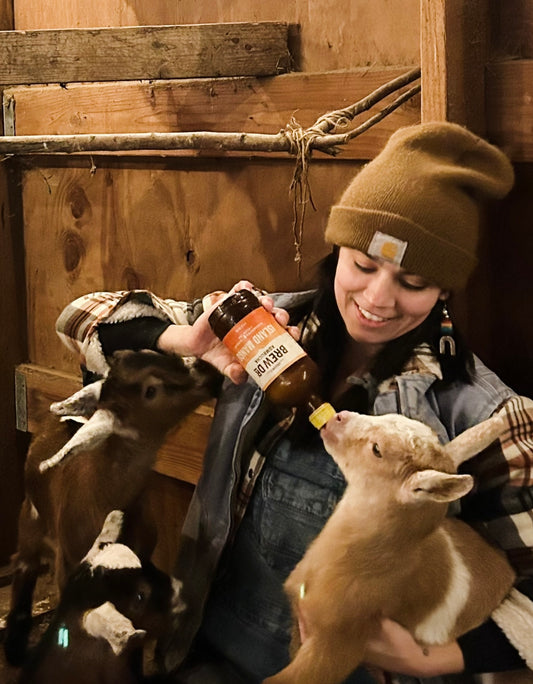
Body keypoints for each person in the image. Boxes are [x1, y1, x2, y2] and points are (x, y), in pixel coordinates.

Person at [55, 122, 533, 684]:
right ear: (338, 249)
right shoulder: (261, 330)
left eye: (413, 280)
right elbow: (79, 319)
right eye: (363, 265)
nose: (378, 299)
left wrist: (432, 659)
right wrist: (185, 342)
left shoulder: (482, 414)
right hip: (207, 654)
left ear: (445, 290)